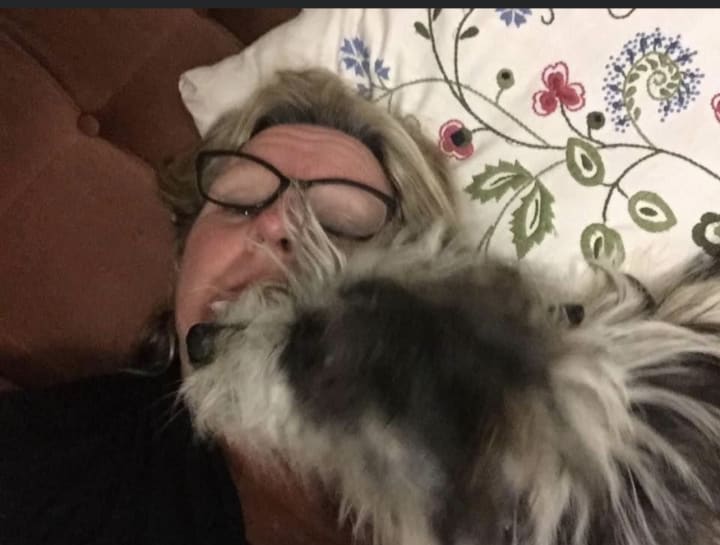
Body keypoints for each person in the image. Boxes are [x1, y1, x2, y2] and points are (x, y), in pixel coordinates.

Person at [0, 68, 459, 545]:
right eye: (242, 204)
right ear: (184, 259)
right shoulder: (35, 460)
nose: (275, 225)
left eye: (335, 221)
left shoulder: (486, 479)